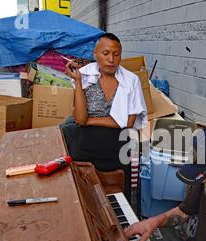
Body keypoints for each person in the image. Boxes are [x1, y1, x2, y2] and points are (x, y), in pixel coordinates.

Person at [61, 32, 147, 198]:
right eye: (105, 53)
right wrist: (78, 82)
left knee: (120, 199)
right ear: (96, 55)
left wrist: (91, 121)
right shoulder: (85, 76)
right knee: (82, 196)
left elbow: (128, 122)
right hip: (86, 149)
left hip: (118, 150)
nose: (111, 59)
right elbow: (79, 118)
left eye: (116, 54)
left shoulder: (131, 80)